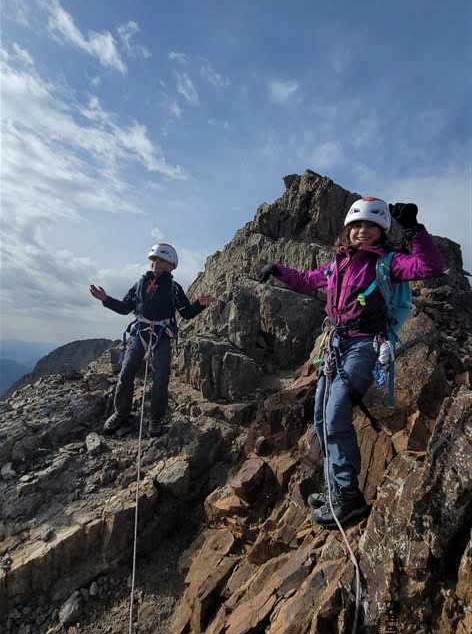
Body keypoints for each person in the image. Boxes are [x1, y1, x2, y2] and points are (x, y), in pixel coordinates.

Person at [258, 199, 446, 528]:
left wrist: (415, 230)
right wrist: (278, 269)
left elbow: (430, 267)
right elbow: (306, 280)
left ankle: (349, 497)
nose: (362, 231)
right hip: (336, 344)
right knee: (320, 417)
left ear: (381, 232)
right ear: (348, 230)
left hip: (364, 344)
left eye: (371, 226)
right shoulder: (337, 265)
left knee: (335, 412)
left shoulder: (388, 262)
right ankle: (335, 488)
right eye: (357, 226)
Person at [90, 243, 212, 436]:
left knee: (161, 378)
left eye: (161, 260)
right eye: (154, 259)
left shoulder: (174, 288)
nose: (156, 263)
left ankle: (155, 418)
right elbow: (124, 308)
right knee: (126, 373)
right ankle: (121, 412)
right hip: (140, 334)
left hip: (162, 336)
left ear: (171, 266)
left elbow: (186, 313)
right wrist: (106, 299)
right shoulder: (140, 285)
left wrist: (199, 304)